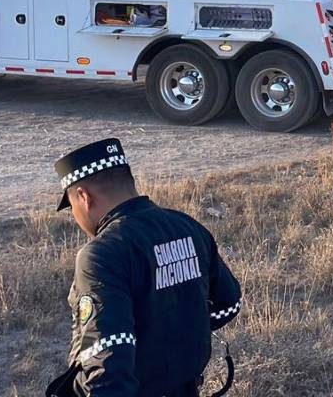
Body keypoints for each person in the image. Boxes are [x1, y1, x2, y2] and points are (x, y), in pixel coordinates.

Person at [46, 138, 242, 397]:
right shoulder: (186, 226)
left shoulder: (100, 255)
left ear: (83, 196)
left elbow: (108, 366)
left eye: (71, 207)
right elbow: (229, 304)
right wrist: (178, 328)